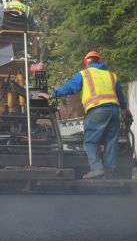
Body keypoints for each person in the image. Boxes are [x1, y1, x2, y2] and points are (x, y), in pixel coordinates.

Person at [40, 51, 132, 179]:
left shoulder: (84, 74)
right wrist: (125, 109)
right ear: (99, 61)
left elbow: (70, 88)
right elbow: (120, 96)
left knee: (90, 141)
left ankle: (97, 168)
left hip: (97, 110)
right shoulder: (112, 75)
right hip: (114, 111)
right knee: (111, 142)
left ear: (87, 63)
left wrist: (51, 95)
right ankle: (110, 173)